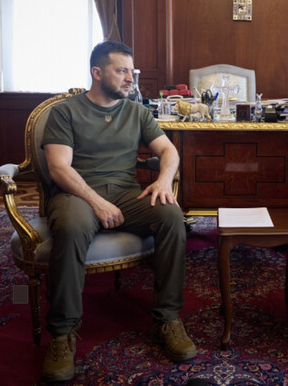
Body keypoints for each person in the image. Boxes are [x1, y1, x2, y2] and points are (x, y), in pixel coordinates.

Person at [40, 41, 196, 382]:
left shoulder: (137, 112)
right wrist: (97, 202)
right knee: (71, 227)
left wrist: (165, 181)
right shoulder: (65, 112)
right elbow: (59, 169)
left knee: (171, 216)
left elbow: (168, 150)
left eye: (131, 71)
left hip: (125, 193)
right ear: (97, 73)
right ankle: (62, 333)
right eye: (121, 71)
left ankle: (167, 318)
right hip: (75, 194)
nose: (130, 79)